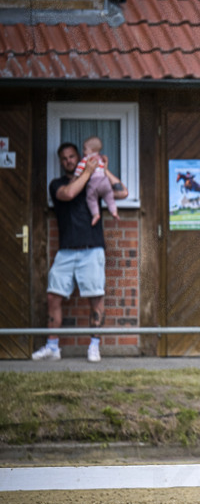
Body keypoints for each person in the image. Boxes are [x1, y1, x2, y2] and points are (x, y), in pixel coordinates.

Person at [32, 139, 129, 363]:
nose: (68, 161)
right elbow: (69, 194)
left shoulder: (95, 179)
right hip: (66, 251)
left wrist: (104, 167)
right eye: (64, 159)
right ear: (61, 163)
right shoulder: (57, 184)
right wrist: (88, 170)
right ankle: (52, 347)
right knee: (53, 296)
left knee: (96, 298)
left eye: (72, 157)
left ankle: (94, 347)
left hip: (92, 248)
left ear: (79, 157)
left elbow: (122, 192)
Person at [73, 136, 119, 226]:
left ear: (92, 150)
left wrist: (76, 176)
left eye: (85, 149)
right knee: (109, 197)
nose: (83, 151)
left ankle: (95, 214)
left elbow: (80, 168)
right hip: (105, 181)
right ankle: (114, 211)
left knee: (91, 198)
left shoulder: (87, 159)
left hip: (95, 182)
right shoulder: (101, 158)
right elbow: (103, 169)